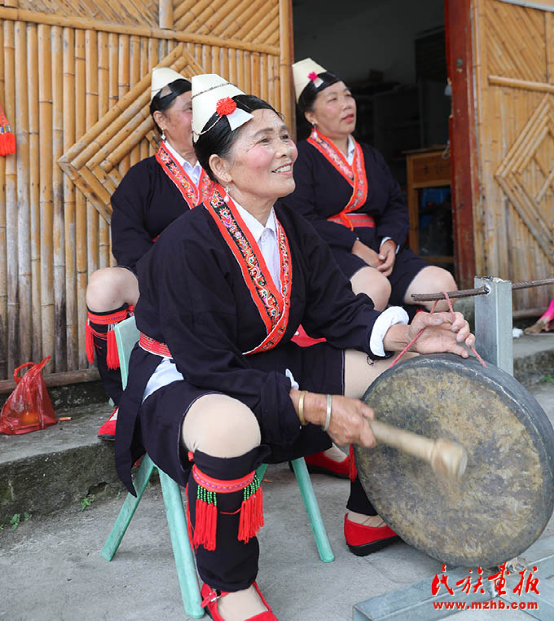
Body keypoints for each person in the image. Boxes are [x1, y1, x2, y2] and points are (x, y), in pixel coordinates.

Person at [114, 73, 475, 621]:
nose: (286, 149)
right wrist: (317, 405)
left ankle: (370, 515)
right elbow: (207, 364)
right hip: (184, 378)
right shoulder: (186, 244)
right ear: (221, 168)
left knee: (394, 369)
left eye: (284, 135)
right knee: (230, 425)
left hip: (260, 365)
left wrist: (412, 334)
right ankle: (229, 586)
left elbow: (337, 312)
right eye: (264, 140)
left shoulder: (291, 228)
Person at [85, 66, 211, 439]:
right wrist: (170, 275)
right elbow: (128, 244)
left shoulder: (224, 168)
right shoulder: (141, 179)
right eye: (189, 109)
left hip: (224, 278)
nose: (198, 117)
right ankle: (127, 401)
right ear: (161, 120)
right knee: (105, 284)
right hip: (160, 279)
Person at [284, 58, 457, 316]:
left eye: (348, 95)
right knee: (375, 289)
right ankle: (394, 325)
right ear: (311, 116)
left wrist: (389, 242)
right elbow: (299, 217)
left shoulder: (371, 156)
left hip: (377, 246)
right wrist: (354, 245)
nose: (346, 104)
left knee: (443, 287)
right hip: (330, 249)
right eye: (333, 99)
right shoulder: (301, 157)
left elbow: (395, 205)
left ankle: (401, 322)